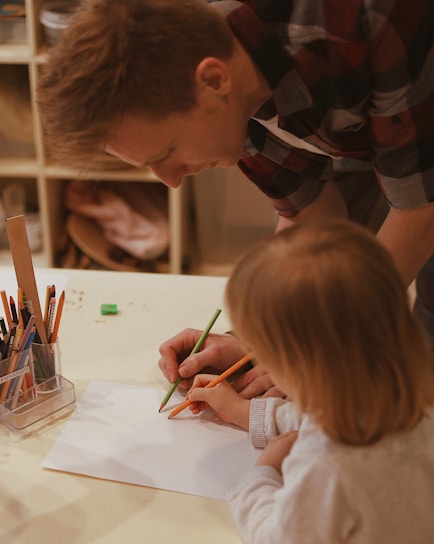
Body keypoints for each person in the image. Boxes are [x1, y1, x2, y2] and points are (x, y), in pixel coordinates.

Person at [36, 0, 434, 395]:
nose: (171, 181)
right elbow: (311, 215)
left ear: (212, 80)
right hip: (366, 126)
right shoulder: (229, 95)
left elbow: (422, 209)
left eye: (166, 153)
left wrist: (310, 351)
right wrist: (255, 339)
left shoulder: (364, 20)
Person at [185, 218, 434, 543]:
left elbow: (276, 538)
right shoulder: (409, 401)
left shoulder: (327, 466)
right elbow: (324, 411)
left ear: (296, 366)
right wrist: (243, 412)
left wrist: (260, 478)